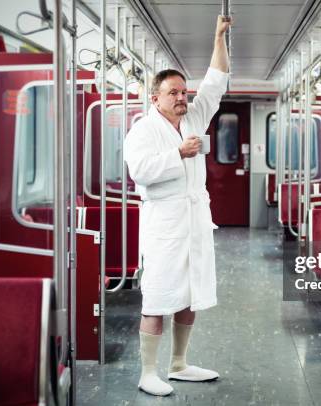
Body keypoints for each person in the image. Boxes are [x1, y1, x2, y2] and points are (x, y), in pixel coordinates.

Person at [124, 14, 232, 397]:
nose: (182, 97)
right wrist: (178, 154)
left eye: (184, 92)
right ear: (155, 97)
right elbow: (140, 171)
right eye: (174, 93)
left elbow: (216, 81)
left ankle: (180, 363)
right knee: (157, 298)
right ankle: (148, 371)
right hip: (164, 226)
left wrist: (218, 36)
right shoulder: (142, 131)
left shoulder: (194, 119)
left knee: (191, 293)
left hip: (195, 222)